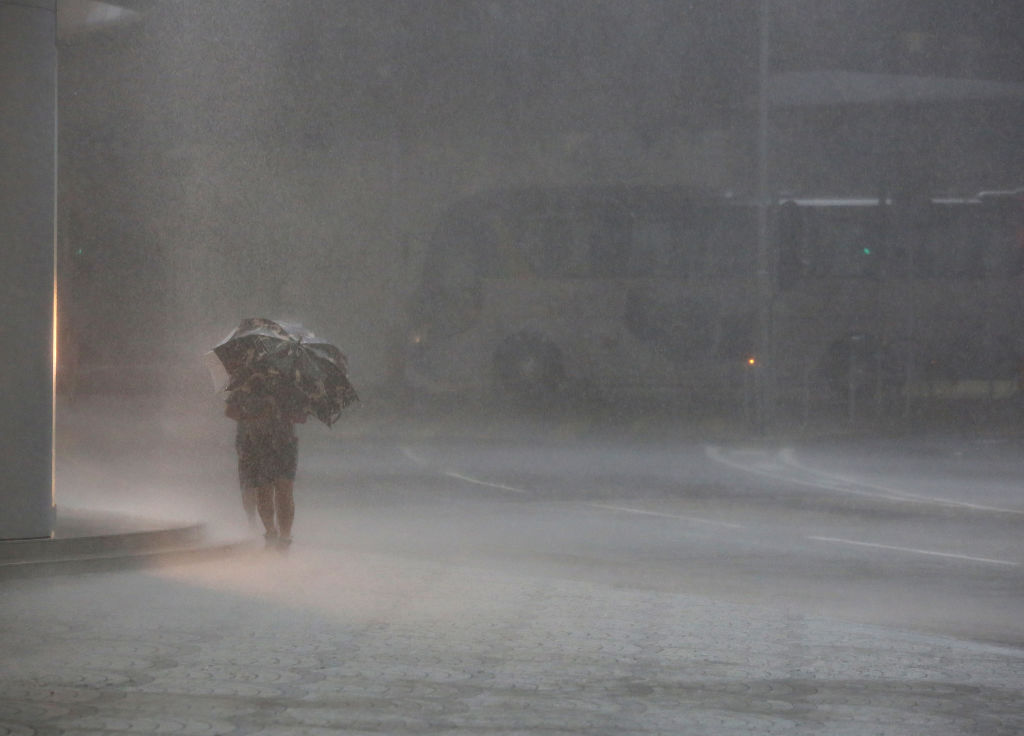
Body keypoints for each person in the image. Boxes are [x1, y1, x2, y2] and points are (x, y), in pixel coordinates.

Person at [225, 379, 305, 551]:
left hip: (284, 443)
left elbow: (302, 416)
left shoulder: (291, 383)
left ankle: (284, 539)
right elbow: (230, 411)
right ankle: (271, 533)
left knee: (284, 489)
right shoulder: (247, 380)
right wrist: (257, 414)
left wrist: (280, 410)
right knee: (264, 490)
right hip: (257, 443)